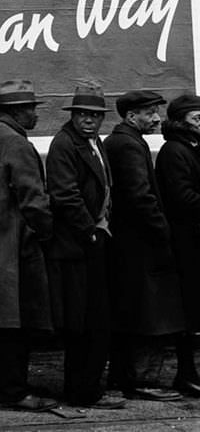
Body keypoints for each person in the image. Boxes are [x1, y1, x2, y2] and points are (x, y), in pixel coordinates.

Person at [0, 80, 58, 412]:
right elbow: (34, 201)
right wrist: (46, 233)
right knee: (18, 323)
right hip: (16, 248)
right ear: (18, 112)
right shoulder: (17, 145)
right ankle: (15, 391)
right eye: (32, 108)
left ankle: (12, 386)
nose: (35, 113)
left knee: (5, 323)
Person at [44, 85, 125, 410]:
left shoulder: (94, 143)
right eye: (83, 115)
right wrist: (89, 231)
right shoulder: (65, 144)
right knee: (84, 322)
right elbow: (64, 195)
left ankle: (89, 387)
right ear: (73, 116)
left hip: (96, 237)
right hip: (79, 244)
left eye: (95, 116)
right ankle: (82, 391)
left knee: (95, 320)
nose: (89, 121)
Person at [104, 90, 184, 401]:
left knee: (133, 313)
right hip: (140, 245)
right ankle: (140, 380)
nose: (156, 118)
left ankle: (125, 378)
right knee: (147, 315)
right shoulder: (128, 144)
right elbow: (140, 196)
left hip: (129, 243)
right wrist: (163, 231)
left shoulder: (121, 140)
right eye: (149, 112)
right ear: (130, 115)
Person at [155, 93, 200, 397]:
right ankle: (186, 373)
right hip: (187, 243)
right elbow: (181, 198)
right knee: (190, 311)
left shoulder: (193, 148)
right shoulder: (174, 151)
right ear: (180, 120)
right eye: (196, 118)